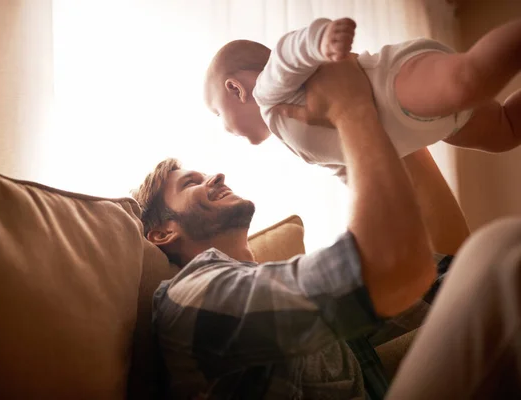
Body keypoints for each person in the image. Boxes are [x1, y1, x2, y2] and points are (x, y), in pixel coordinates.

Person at [132, 57, 473, 398]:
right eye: (191, 183)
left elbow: (431, 281)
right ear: (163, 233)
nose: (216, 175)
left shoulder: (278, 296)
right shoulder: (194, 293)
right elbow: (388, 268)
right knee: (498, 250)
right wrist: (351, 110)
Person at [204, 17, 521, 180]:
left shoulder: (268, 93)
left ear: (235, 88)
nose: (221, 126)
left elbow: (289, 53)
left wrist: (321, 41)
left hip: (395, 86)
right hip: (431, 126)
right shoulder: (294, 143)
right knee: (505, 130)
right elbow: (349, 165)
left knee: (467, 81)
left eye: (218, 114)